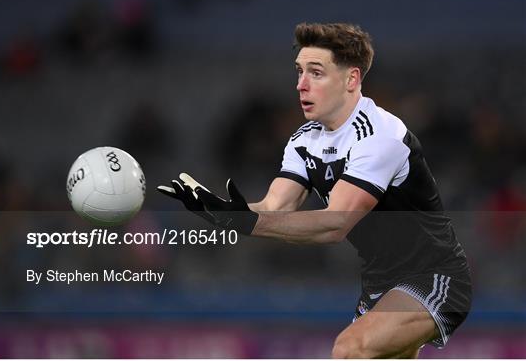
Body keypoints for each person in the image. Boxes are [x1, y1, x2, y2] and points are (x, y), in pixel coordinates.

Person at [158, 22, 472, 358]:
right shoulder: (304, 140)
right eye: (299, 72)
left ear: (351, 79)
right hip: (379, 285)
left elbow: (335, 224)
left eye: (316, 73)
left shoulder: (380, 136)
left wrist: (246, 222)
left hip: (435, 277)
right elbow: (276, 207)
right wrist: (224, 211)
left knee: (349, 348)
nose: (301, 85)